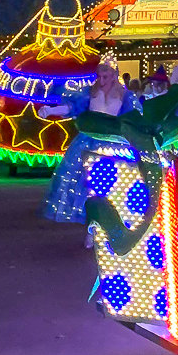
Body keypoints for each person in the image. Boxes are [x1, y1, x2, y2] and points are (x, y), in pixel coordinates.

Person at [42, 60, 135, 230]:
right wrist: (51, 110)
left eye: (105, 76)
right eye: (99, 76)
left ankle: (109, 225)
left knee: (111, 186)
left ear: (114, 76)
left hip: (115, 145)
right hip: (88, 142)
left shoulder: (126, 96)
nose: (101, 80)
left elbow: (134, 118)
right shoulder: (89, 92)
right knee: (87, 187)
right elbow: (72, 107)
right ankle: (92, 226)